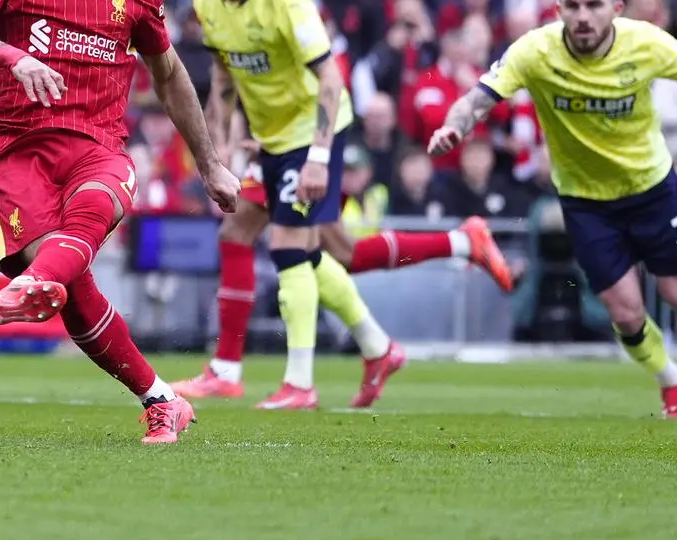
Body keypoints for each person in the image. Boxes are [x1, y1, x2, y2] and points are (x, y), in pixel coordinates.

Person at [0, 0, 239, 444]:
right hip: (14, 153)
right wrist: (13, 57)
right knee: (72, 292)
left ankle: (37, 283)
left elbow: (171, 75)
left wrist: (209, 164)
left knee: (88, 213)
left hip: (98, 149)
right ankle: (161, 398)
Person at [429, 0, 677, 418]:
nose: (582, 16)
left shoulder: (643, 42)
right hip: (585, 201)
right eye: (572, 5)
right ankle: (672, 384)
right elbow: (478, 98)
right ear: (558, 7)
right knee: (624, 313)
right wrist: (453, 127)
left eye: (593, 5)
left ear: (616, 8)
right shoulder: (535, 50)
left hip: (650, 188)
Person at [175, 0, 502, 410]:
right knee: (304, 245)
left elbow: (330, 79)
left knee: (290, 247)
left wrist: (319, 157)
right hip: (270, 137)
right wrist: (221, 148)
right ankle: (388, 331)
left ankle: (299, 383)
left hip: (314, 132)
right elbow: (223, 75)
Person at [174, 110, 513, 404]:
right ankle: (375, 345)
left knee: (301, 246)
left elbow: (317, 78)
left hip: (305, 137)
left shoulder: (287, 39)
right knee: (300, 244)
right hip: (286, 136)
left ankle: (289, 380)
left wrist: (293, 145)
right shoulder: (232, 43)